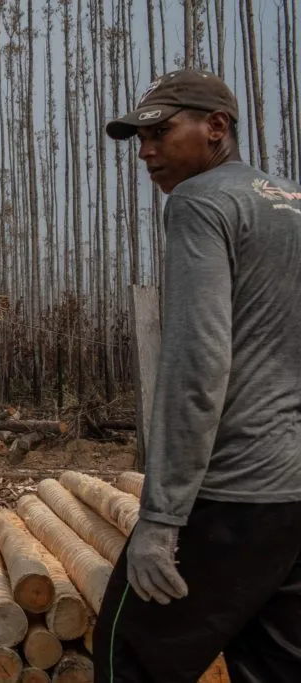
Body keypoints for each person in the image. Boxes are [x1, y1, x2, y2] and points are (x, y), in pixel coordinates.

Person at [96, 68, 301, 681]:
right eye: (138, 138)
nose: (147, 151)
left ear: (216, 127)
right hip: (294, 493)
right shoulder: (292, 203)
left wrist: (162, 518)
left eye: (160, 131)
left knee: (125, 655)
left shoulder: (200, 203)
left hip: (232, 492)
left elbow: (196, 365)